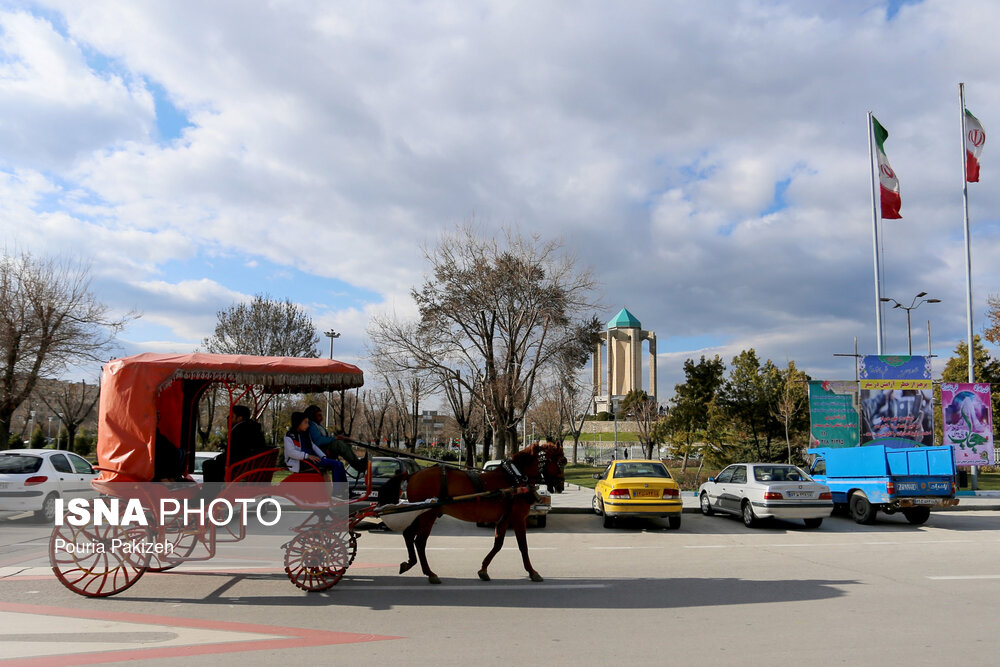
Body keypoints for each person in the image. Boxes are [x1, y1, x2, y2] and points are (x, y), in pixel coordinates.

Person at [203, 405, 269, 483]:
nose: (229, 418)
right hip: (252, 467)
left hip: (242, 468)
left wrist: (219, 457)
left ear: (239, 418)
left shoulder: (240, 430)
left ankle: (211, 491)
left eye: (232, 416)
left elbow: (234, 452)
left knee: (208, 464)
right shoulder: (254, 429)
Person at [302, 405, 367, 481]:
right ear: (312, 415)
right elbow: (318, 441)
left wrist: (338, 438)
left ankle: (343, 490)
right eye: (319, 415)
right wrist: (335, 438)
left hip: (324, 451)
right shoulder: (311, 425)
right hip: (320, 453)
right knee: (338, 444)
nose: (321, 417)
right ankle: (358, 466)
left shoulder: (317, 425)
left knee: (340, 463)